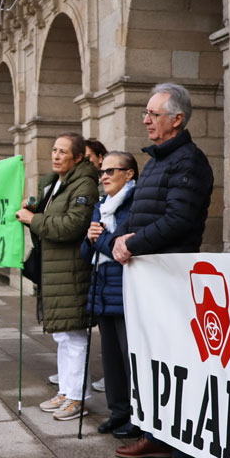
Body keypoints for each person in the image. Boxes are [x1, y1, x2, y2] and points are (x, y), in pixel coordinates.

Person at [111, 83, 214, 458]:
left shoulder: (189, 162)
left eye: (154, 114)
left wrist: (132, 242)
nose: (146, 120)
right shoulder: (155, 160)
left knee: (175, 366)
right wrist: (125, 236)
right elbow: (142, 216)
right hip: (147, 278)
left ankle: (185, 453)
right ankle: (154, 433)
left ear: (177, 119)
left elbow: (178, 221)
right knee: (150, 362)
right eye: (146, 113)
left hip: (172, 278)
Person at [16, 132, 99, 422]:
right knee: (63, 335)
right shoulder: (55, 183)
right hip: (55, 269)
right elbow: (52, 217)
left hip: (72, 270)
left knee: (75, 335)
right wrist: (33, 210)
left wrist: (34, 220)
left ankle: (78, 398)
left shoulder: (85, 184)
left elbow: (72, 226)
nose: (55, 155)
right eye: (54, 150)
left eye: (63, 152)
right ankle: (66, 391)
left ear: (78, 157)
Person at [81, 151, 140, 438]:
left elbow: (120, 251)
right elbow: (85, 251)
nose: (103, 176)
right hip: (102, 286)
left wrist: (100, 239)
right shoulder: (101, 204)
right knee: (110, 356)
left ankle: (138, 416)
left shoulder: (134, 204)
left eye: (110, 171)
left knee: (130, 354)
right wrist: (91, 238)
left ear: (129, 173)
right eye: (101, 171)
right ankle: (118, 412)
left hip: (124, 285)